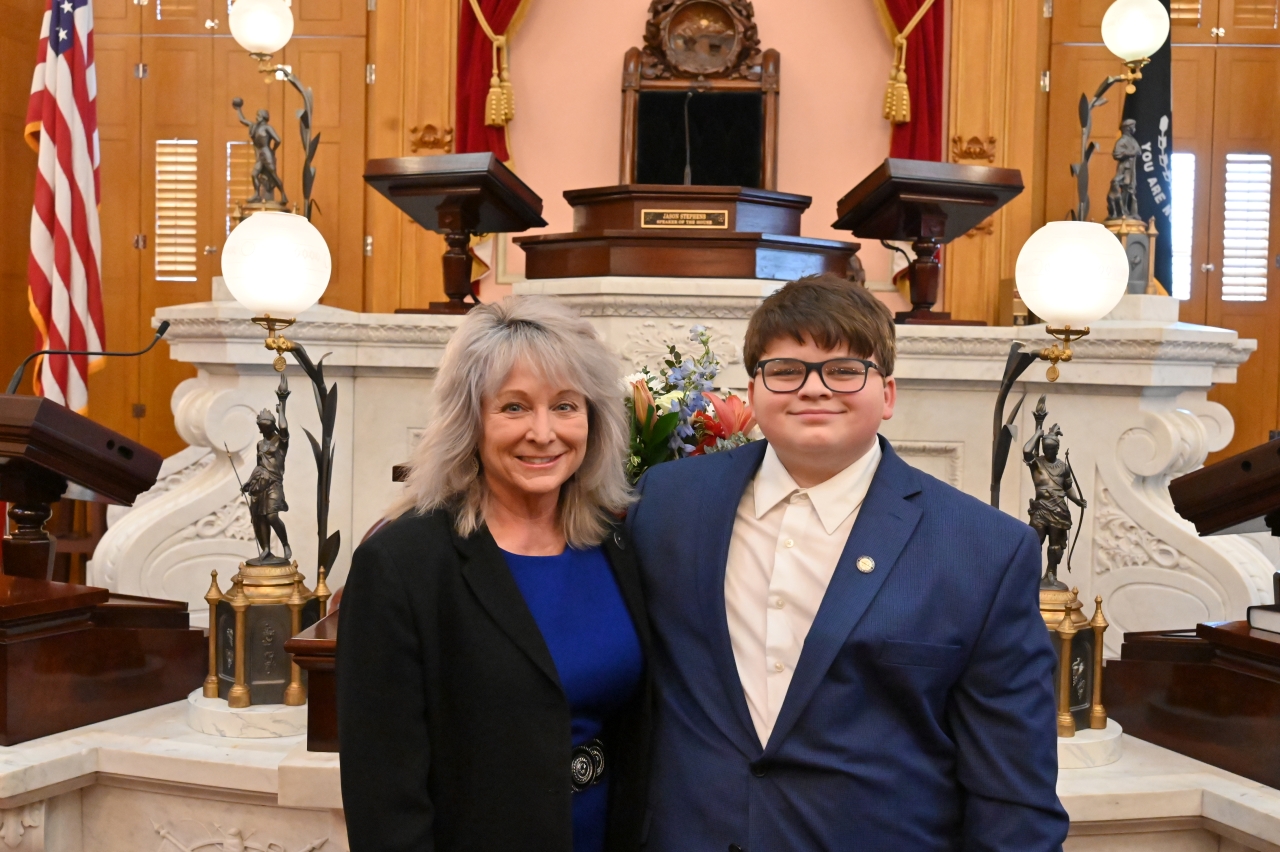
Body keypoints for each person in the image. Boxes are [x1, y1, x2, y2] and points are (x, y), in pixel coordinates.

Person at [628, 273, 1069, 851]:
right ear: (753, 393)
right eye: (785, 370)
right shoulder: (668, 504)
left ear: (886, 394)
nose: (813, 389)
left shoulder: (983, 548)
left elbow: (1013, 790)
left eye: (843, 369)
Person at [338, 296, 650, 852]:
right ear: (470, 419)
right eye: (513, 407)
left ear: (593, 418)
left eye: (565, 406)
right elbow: (383, 792)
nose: (543, 432)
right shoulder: (403, 563)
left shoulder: (619, 545)